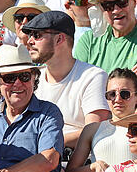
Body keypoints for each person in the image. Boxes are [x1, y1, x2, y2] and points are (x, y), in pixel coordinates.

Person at [25, 11, 108, 146]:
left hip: (73, 158)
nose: (29, 41)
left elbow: (95, 129)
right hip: (36, 156)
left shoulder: (92, 76)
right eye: (30, 35)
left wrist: (47, 144)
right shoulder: (31, 77)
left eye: (37, 35)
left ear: (59, 39)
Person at [65, 68, 137, 172]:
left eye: (125, 94)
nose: (117, 99)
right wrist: (93, 167)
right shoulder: (92, 129)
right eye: (111, 94)